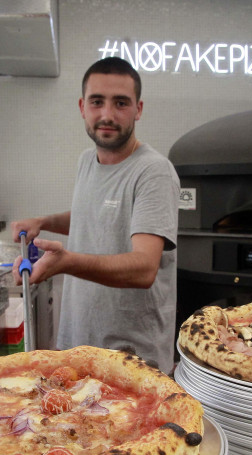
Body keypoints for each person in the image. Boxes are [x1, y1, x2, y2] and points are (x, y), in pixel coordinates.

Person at [12, 57, 180, 373]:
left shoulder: (154, 172)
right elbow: (94, 216)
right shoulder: (87, 161)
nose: (107, 115)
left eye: (120, 103)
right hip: (77, 344)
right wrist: (43, 222)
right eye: (97, 102)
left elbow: (144, 268)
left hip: (130, 360)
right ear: (82, 107)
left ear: (138, 109)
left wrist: (67, 263)